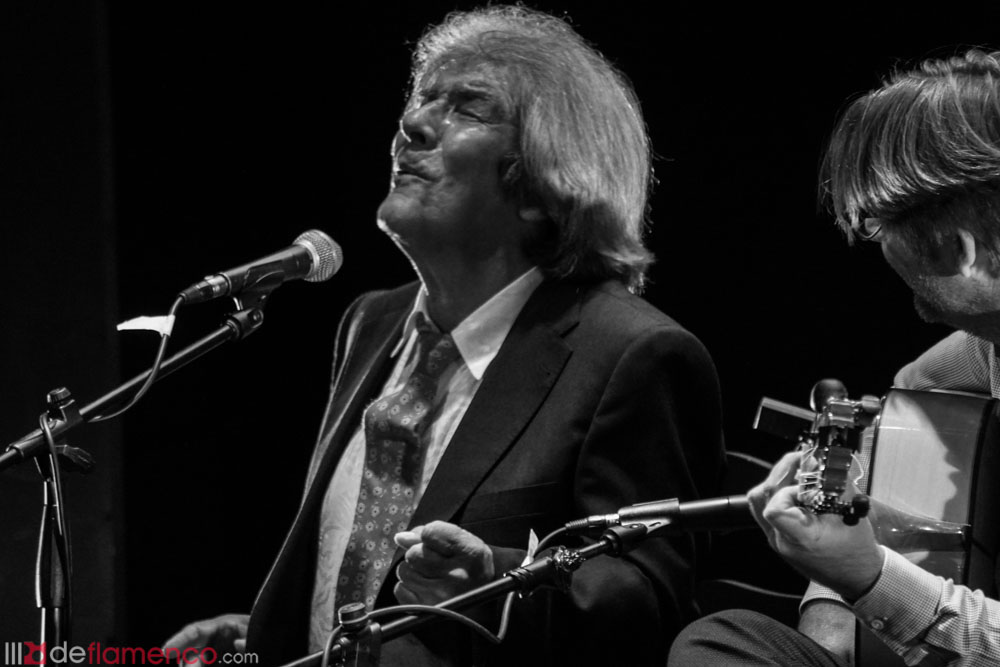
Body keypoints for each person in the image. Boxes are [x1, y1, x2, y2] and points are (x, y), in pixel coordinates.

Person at [165, 6, 725, 666]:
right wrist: (280, 636)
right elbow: (366, 577)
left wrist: (495, 583)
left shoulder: (633, 354)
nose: (412, 125)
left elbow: (648, 606)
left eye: (466, 106)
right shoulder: (371, 322)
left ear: (545, 180)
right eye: (422, 98)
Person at [669, 49, 1000, 666]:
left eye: (876, 226)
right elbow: (914, 396)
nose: (876, 250)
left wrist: (868, 576)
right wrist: (831, 608)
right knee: (725, 640)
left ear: (961, 251)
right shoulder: (984, 345)